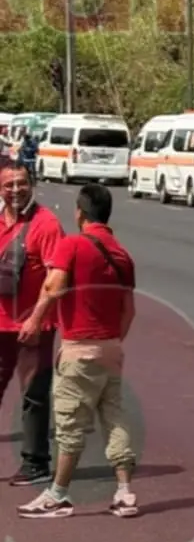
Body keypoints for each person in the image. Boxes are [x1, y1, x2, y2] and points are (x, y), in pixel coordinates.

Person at [16, 184, 138, 519]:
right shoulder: (122, 254)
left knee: (69, 424)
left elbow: (53, 286)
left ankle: (58, 495)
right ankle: (125, 492)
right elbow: (129, 311)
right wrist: (111, 342)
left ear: (80, 213)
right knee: (113, 416)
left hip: (79, 348)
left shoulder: (72, 244)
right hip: (111, 348)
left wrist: (34, 320)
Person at [0, 160, 65, 486]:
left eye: (21, 183)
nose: (16, 190)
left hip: (33, 327)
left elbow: (57, 278)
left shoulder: (46, 224)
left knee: (33, 396)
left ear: (32, 184)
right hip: (1, 325)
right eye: (9, 184)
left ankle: (36, 464)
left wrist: (36, 318)